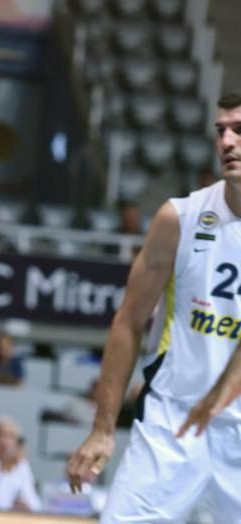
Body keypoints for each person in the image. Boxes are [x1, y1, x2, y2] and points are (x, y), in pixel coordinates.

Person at [67, 91, 241, 522]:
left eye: (239, 130)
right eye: (221, 131)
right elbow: (128, 322)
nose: (228, 142)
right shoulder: (178, 219)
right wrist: (103, 429)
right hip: (173, 424)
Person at [0, 417, 42, 512]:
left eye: (10, 436)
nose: (4, 441)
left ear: (16, 442)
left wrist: (26, 505)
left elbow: (35, 504)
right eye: (0, 435)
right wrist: (4, 470)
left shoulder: (20, 463)